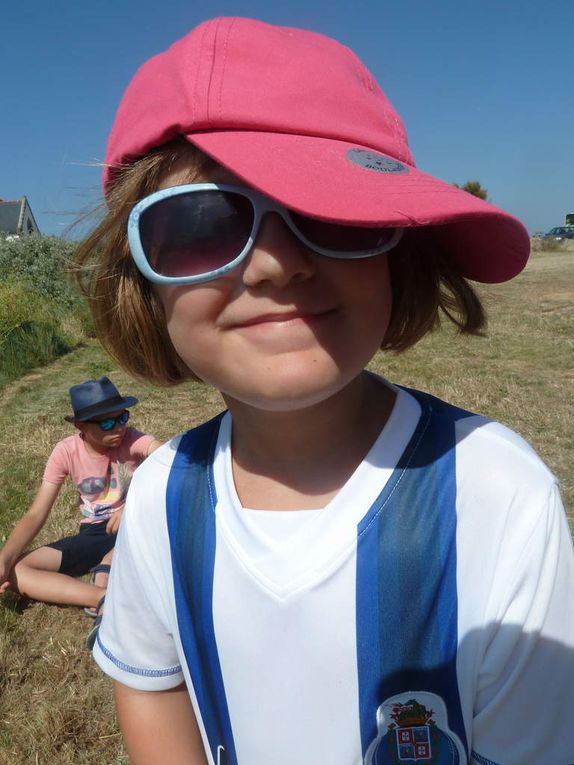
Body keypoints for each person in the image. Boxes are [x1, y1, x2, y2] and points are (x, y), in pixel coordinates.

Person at [75, 17, 574, 765]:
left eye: (326, 212)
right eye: (202, 223)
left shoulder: (496, 495)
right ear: (142, 285)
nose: (275, 265)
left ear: (399, 250)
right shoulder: (159, 498)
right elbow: (155, 685)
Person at [0, 376, 161, 626]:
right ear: (81, 427)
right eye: (107, 422)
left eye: (122, 417)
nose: (119, 428)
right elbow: (36, 513)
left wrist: (133, 506)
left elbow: (170, 458)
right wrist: (5, 558)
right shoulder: (65, 452)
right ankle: (102, 597)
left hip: (137, 522)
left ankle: (110, 562)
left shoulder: (131, 439)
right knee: (17, 571)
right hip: (95, 532)